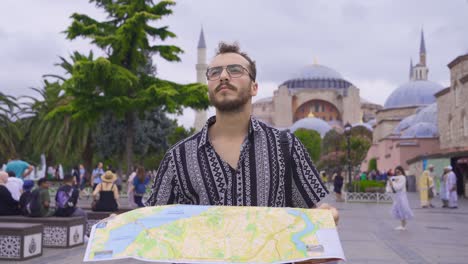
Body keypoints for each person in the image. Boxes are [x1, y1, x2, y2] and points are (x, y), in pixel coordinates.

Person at [145, 42, 337, 224]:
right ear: (208, 88)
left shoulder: (286, 146)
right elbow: (156, 222)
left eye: (235, 70)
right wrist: (120, 224)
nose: (224, 76)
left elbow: (309, 215)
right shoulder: (179, 157)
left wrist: (325, 217)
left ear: (255, 88)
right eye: (214, 72)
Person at [386, 166, 413, 230]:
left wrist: (392, 184)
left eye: (399, 171)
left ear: (401, 171)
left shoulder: (403, 177)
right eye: (396, 171)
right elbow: (390, 182)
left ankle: (403, 225)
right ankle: (402, 224)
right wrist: (390, 184)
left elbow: (399, 186)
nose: (397, 172)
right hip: (397, 196)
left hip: (402, 196)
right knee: (399, 210)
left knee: (403, 209)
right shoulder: (395, 178)